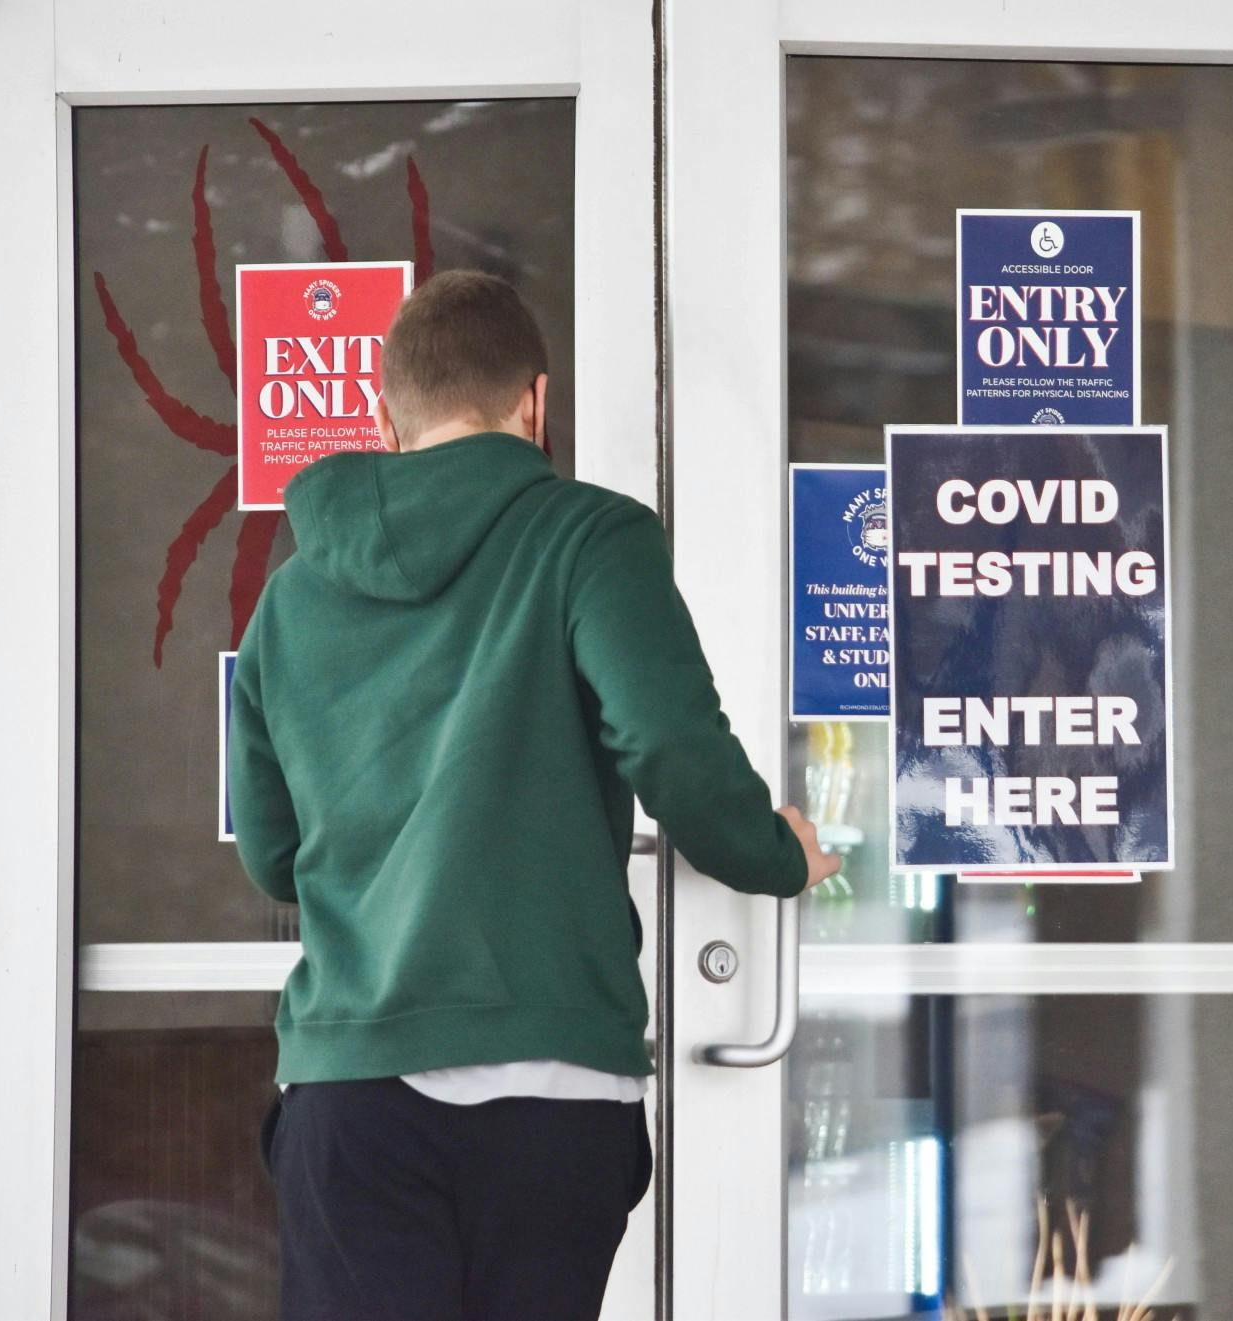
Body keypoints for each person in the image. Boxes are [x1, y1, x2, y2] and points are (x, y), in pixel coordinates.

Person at [226, 268, 840, 1321]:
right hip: (550, 1096)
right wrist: (775, 853)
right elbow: (667, 742)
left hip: (354, 1086)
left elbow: (273, 856)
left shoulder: (291, 597)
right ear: (535, 403)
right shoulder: (590, 538)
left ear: (385, 417)